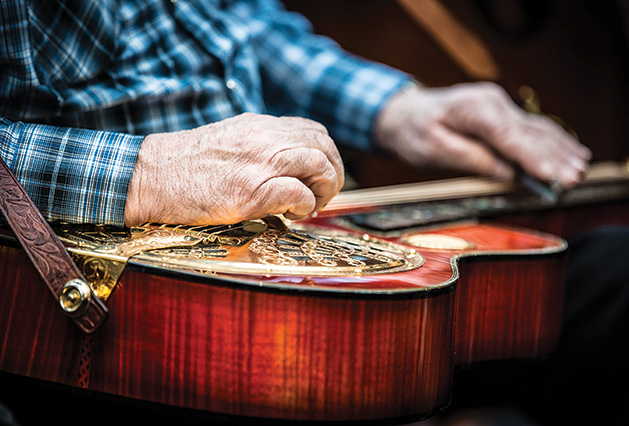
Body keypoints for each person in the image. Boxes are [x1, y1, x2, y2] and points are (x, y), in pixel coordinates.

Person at [1, 1, 623, 426]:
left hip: (302, 252)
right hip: (121, 318)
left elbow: (232, 24)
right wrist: (145, 171)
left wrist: (399, 110)